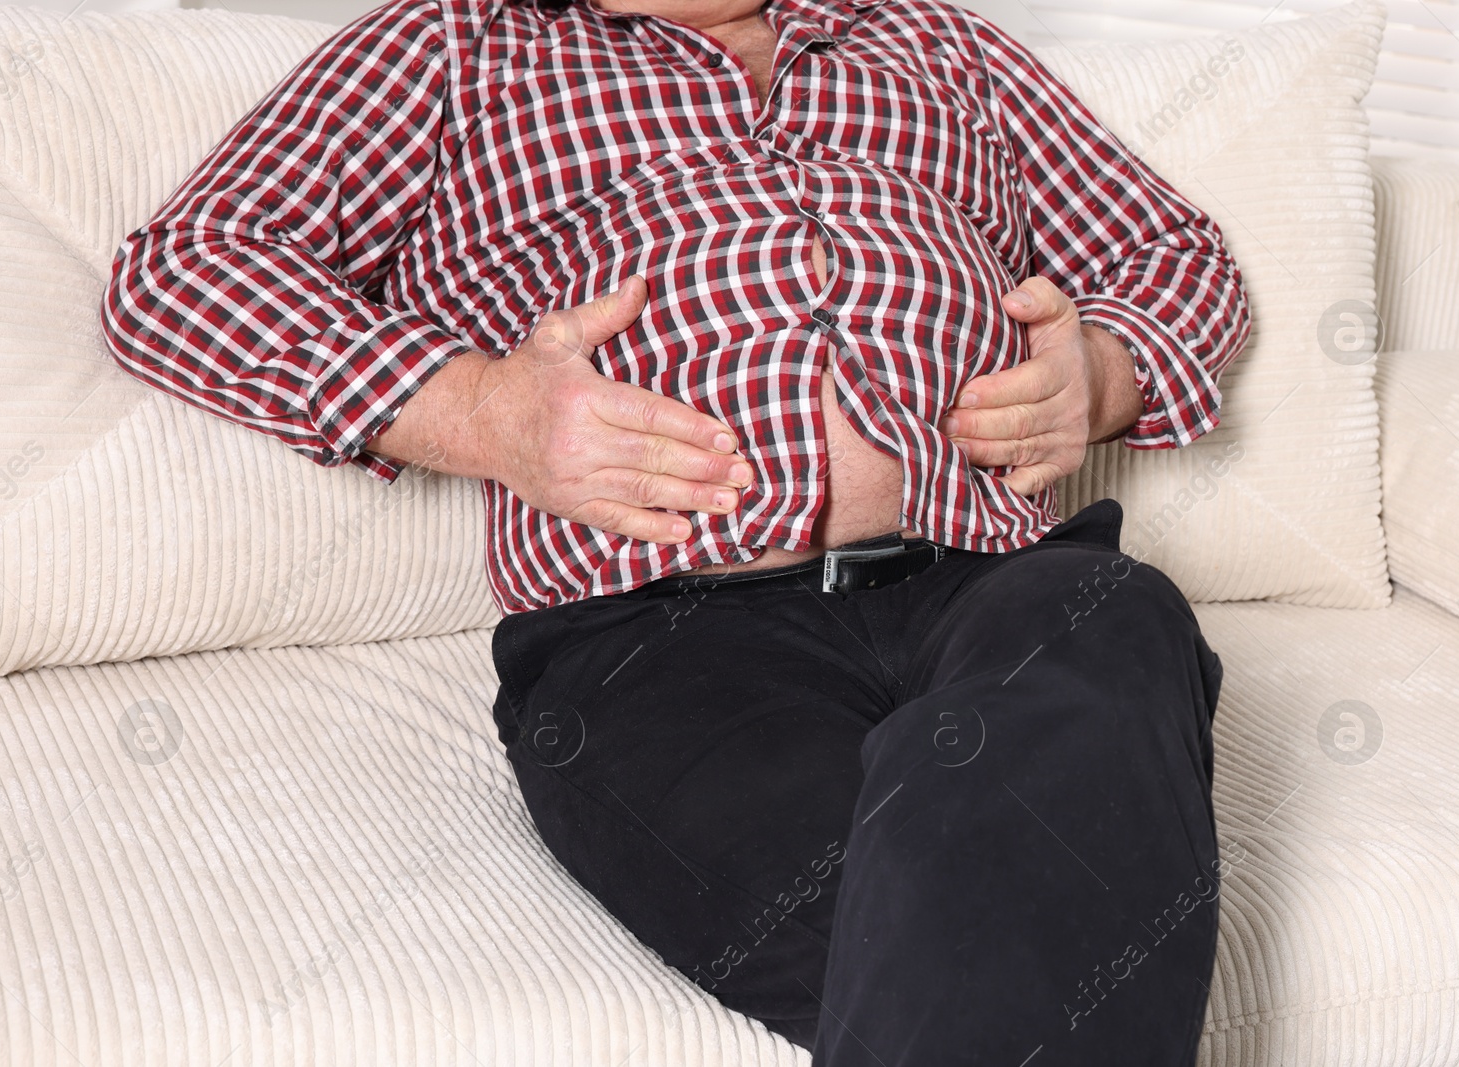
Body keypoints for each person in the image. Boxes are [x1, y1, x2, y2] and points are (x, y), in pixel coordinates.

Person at [100, 0, 1251, 1060]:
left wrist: (1106, 372)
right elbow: (183, 271)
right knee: (999, 905)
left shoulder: (934, 41)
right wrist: (476, 410)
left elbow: (1176, 255)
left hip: (998, 581)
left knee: (1108, 624)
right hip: (662, 641)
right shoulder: (454, 44)